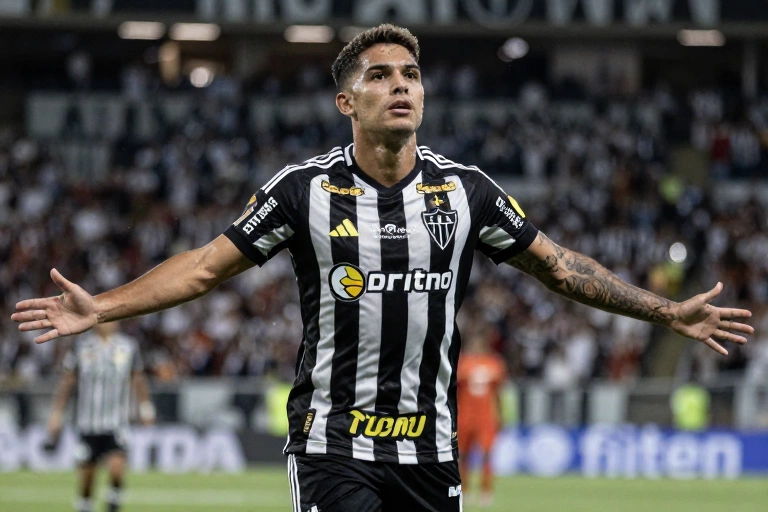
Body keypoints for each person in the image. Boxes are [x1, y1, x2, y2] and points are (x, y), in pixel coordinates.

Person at [12, 24, 753, 512]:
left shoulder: (467, 192)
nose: (402, 85)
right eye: (381, 75)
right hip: (334, 444)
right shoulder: (303, 190)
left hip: (431, 448)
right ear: (347, 100)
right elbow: (205, 268)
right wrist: (102, 307)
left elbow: (561, 268)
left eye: (412, 74)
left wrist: (666, 310)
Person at [45, 322, 155, 512]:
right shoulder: (81, 346)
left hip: (117, 422)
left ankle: (113, 503)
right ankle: (85, 506)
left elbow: (138, 378)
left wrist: (145, 407)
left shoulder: (128, 346)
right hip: (88, 423)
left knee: (117, 469)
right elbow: (67, 381)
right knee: (87, 477)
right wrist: (57, 412)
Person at [456, 330, 507, 507]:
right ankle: (465, 490)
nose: (476, 347)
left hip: (486, 417)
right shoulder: (462, 363)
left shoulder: (494, 363)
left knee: (487, 454)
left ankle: (486, 491)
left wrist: (501, 415)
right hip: (465, 416)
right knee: (464, 455)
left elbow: (499, 393)